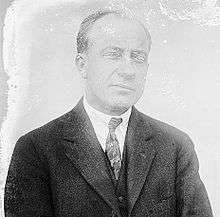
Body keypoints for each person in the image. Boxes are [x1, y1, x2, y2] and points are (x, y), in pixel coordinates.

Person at [4, 10, 213, 217]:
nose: (128, 70)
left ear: (147, 68)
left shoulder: (176, 145)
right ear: (82, 65)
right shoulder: (35, 148)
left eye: (137, 57)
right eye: (113, 54)